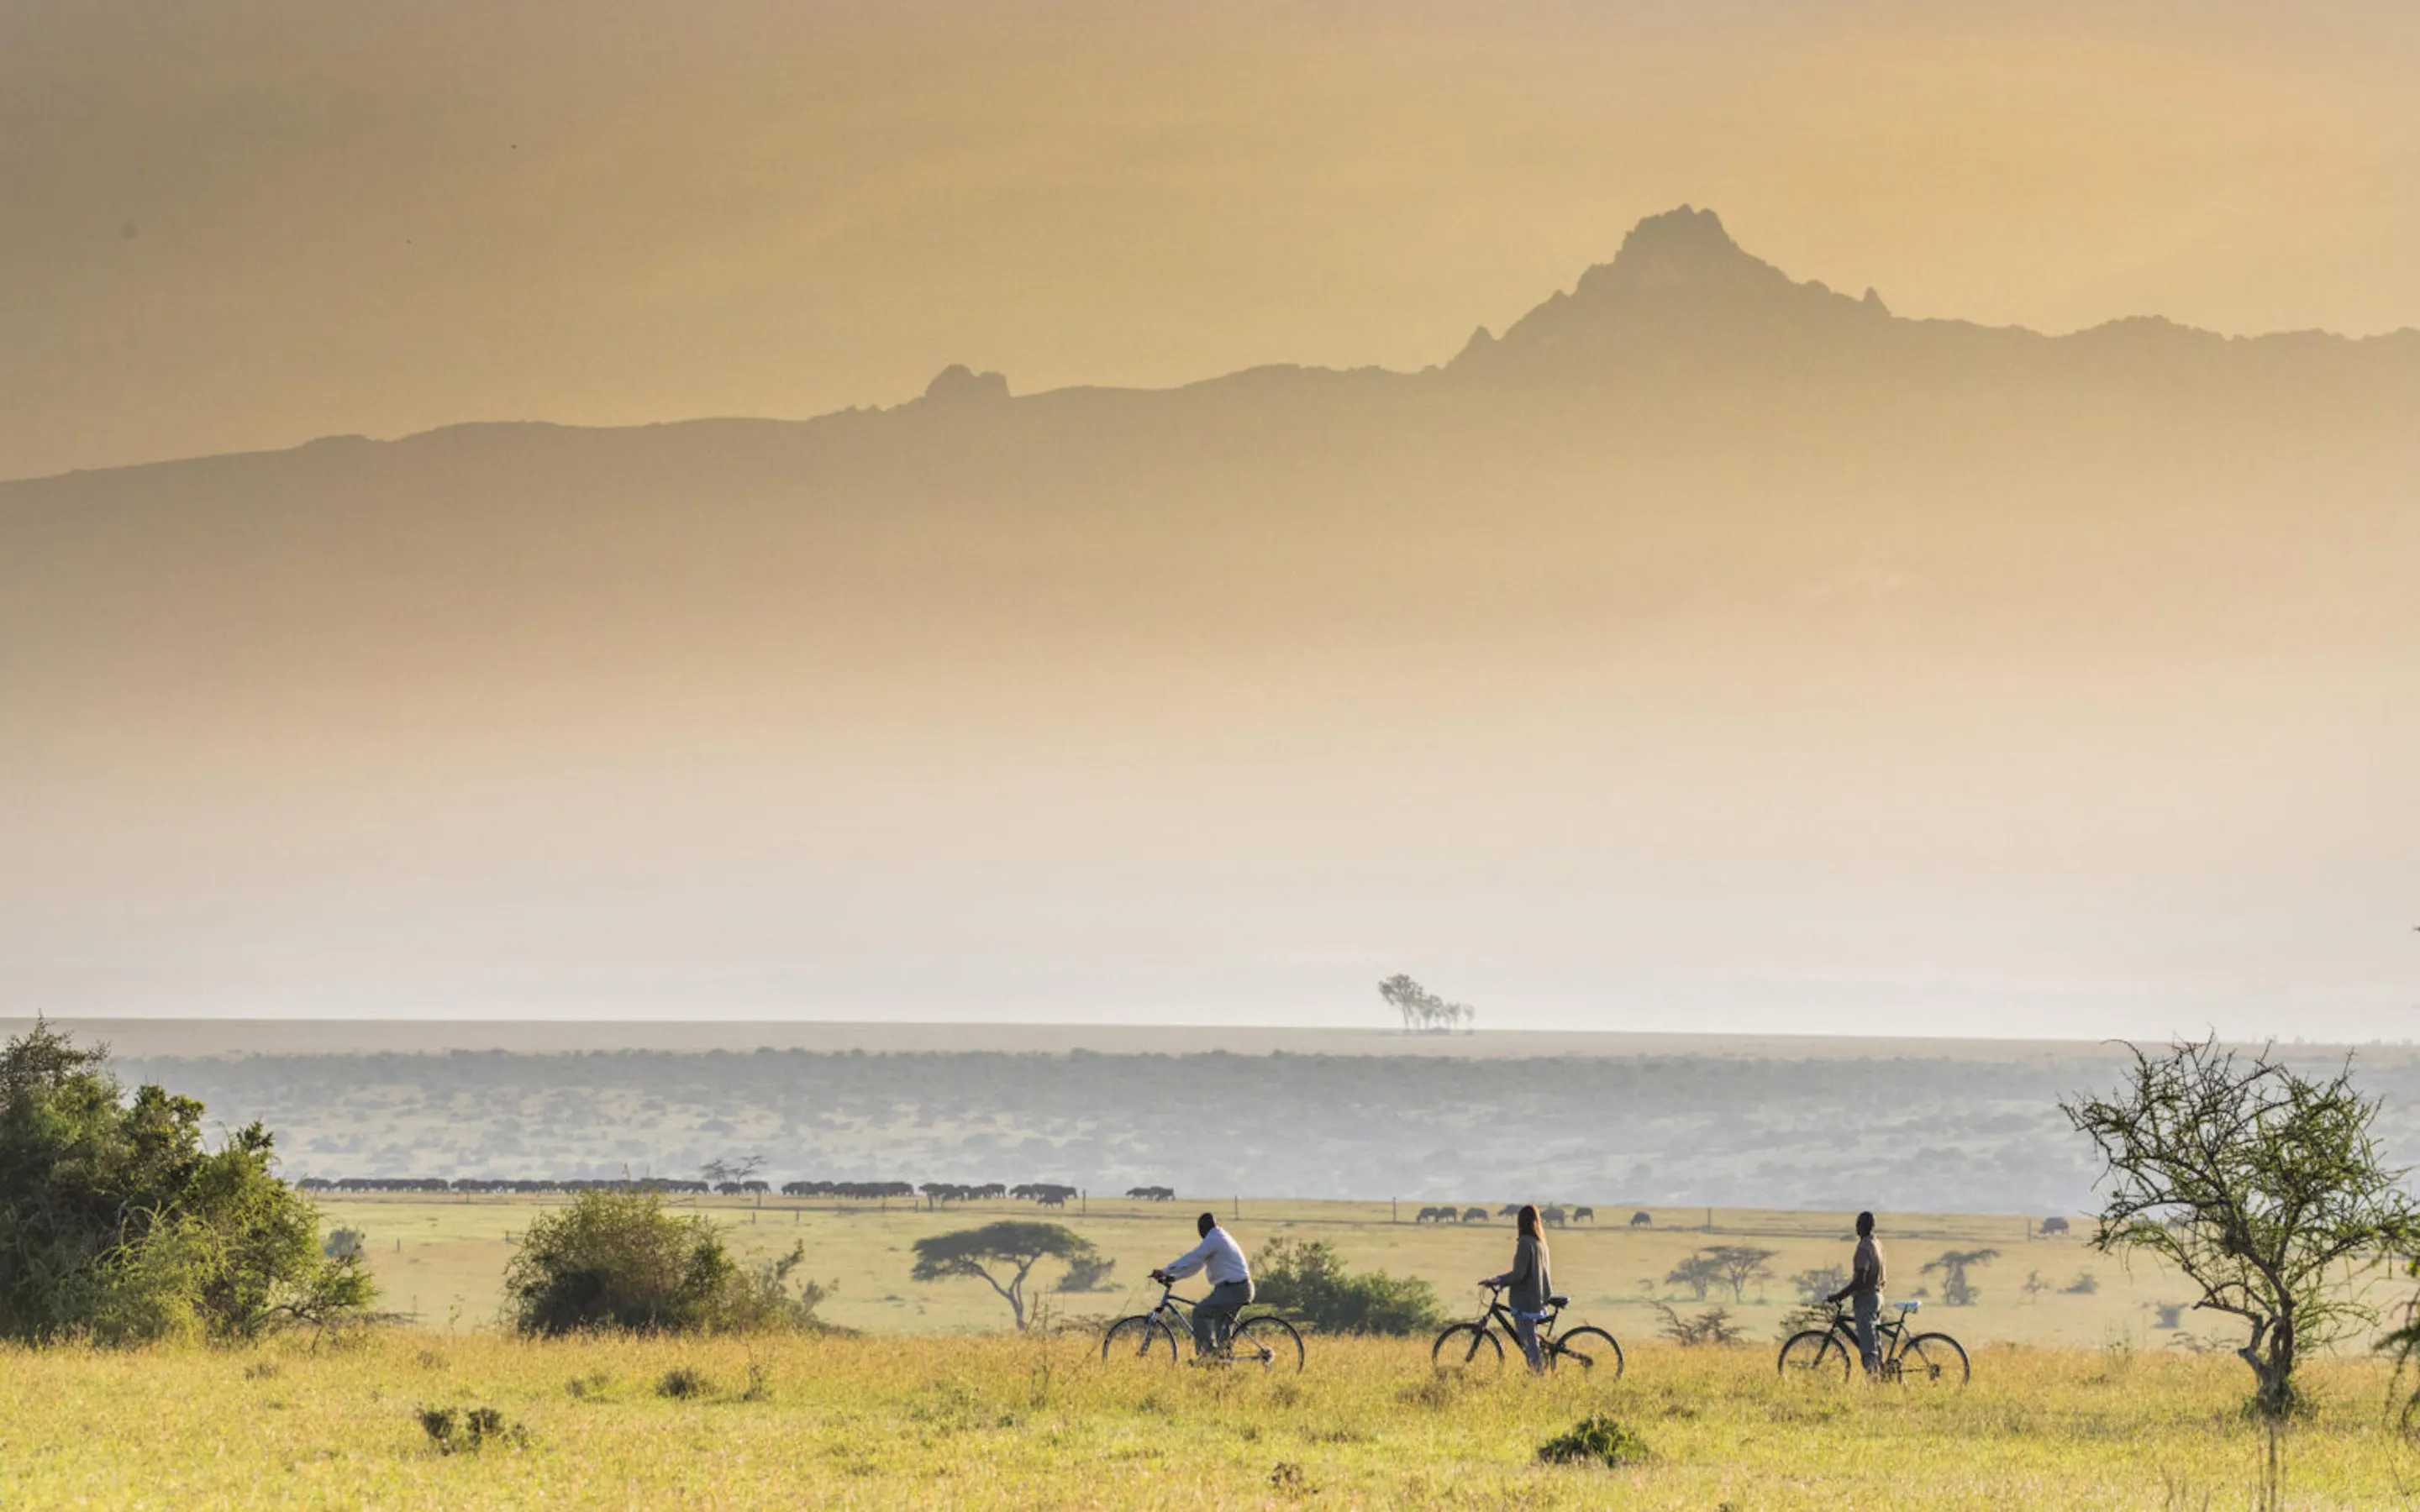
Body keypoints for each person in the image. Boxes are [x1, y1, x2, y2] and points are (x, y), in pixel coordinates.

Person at [1151, 1211, 1253, 1357]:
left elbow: (1193, 1257)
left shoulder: (1214, 1239)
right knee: (1222, 1333)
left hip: (1233, 1289)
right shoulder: (1218, 1237)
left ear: (1202, 1229)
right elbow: (1197, 1265)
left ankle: (1207, 1357)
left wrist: (1165, 1270)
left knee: (1200, 1312)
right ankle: (1222, 1363)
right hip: (1237, 1288)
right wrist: (1173, 1277)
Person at [1481, 1203, 1552, 1373]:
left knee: (1528, 1341)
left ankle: (1538, 1373)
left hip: (1526, 1300)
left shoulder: (1525, 1243)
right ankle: (1537, 1369)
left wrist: (1498, 1280)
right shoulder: (1540, 1242)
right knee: (1530, 1338)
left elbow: (1519, 1274)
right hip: (1539, 1297)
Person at [1825, 1210, 1887, 1375]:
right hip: (1878, 1296)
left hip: (1866, 1298)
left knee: (1868, 1346)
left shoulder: (1864, 1248)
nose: (1857, 1228)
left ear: (1863, 1226)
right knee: (1875, 1340)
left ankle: (1873, 1378)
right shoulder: (1877, 1244)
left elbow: (1860, 1280)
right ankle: (1882, 1374)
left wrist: (1840, 1295)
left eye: (1859, 1224)